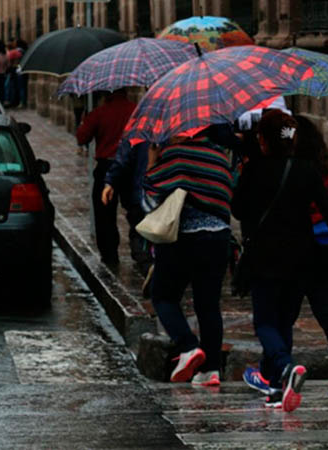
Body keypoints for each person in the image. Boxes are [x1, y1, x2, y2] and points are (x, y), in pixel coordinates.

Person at [232, 111, 328, 412]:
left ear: (263, 140)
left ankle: (286, 368)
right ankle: (277, 387)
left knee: (266, 321)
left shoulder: (255, 170)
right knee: (285, 318)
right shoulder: (307, 170)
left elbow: (238, 210)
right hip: (300, 259)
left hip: (265, 257)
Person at [142, 126, 239, 388]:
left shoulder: (175, 155)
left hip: (183, 238)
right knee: (208, 305)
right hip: (218, 238)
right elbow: (227, 195)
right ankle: (211, 370)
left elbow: (150, 199)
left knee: (162, 295)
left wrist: (152, 163)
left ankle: (188, 347)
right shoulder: (219, 156)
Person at [75, 89, 136, 265]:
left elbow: (82, 137)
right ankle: (140, 251)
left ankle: (110, 255)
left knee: (104, 215)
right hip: (130, 167)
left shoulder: (99, 113)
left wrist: (85, 120)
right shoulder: (135, 110)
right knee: (135, 210)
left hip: (106, 167)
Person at [102, 139, 154, 280]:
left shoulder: (139, 130)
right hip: (163, 192)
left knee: (139, 232)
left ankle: (148, 266)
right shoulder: (177, 130)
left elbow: (122, 159)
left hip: (141, 193)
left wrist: (110, 182)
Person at [4, 38, 23, 107]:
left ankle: (11, 100)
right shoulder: (21, 51)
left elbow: (9, 62)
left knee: (10, 86)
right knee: (19, 87)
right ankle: (19, 101)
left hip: (14, 70)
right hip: (19, 70)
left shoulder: (13, 52)